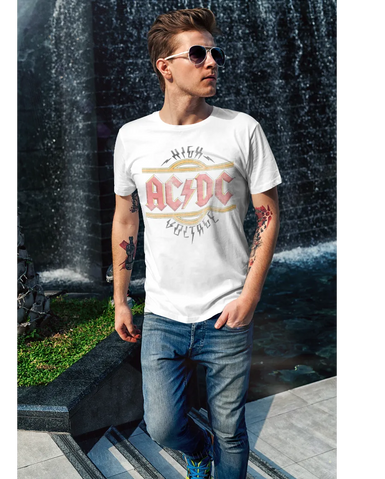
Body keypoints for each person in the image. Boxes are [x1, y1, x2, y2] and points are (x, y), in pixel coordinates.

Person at [112, 8, 282, 479]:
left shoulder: (242, 128)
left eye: (215, 53)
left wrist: (249, 297)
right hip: (163, 313)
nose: (212, 62)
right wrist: (121, 299)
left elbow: (267, 216)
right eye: (198, 54)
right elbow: (125, 219)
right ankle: (198, 450)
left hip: (227, 311)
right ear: (165, 67)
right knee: (162, 425)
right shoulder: (132, 137)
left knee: (231, 430)